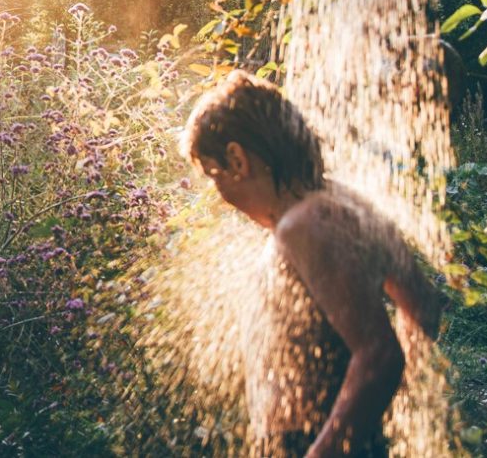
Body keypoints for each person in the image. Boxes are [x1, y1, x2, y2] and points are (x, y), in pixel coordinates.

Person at [179, 70, 443, 458]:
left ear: (237, 160)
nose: (220, 194)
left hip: (312, 441)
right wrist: (369, 412)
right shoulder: (343, 202)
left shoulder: (304, 224)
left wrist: (325, 447)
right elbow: (423, 306)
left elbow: (379, 355)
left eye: (213, 175)